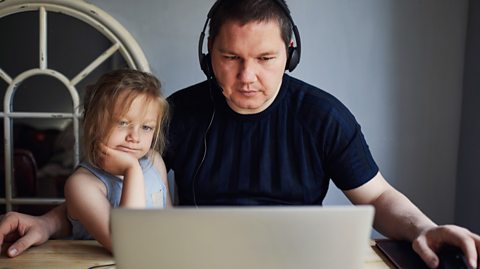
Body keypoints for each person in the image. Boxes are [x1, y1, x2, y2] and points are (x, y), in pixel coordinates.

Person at [0, 0, 479, 268]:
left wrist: (423, 228)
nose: (247, 76)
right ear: (209, 54)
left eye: (266, 59)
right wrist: (48, 223)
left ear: (289, 53)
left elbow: (378, 196)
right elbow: (116, 183)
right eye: (230, 58)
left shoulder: (323, 116)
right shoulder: (176, 113)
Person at [66, 69, 171, 252]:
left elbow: (169, 222)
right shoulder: (82, 184)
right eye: (122, 123)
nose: (135, 137)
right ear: (93, 125)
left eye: (146, 127)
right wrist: (132, 170)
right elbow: (127, 245)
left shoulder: (154, 162)